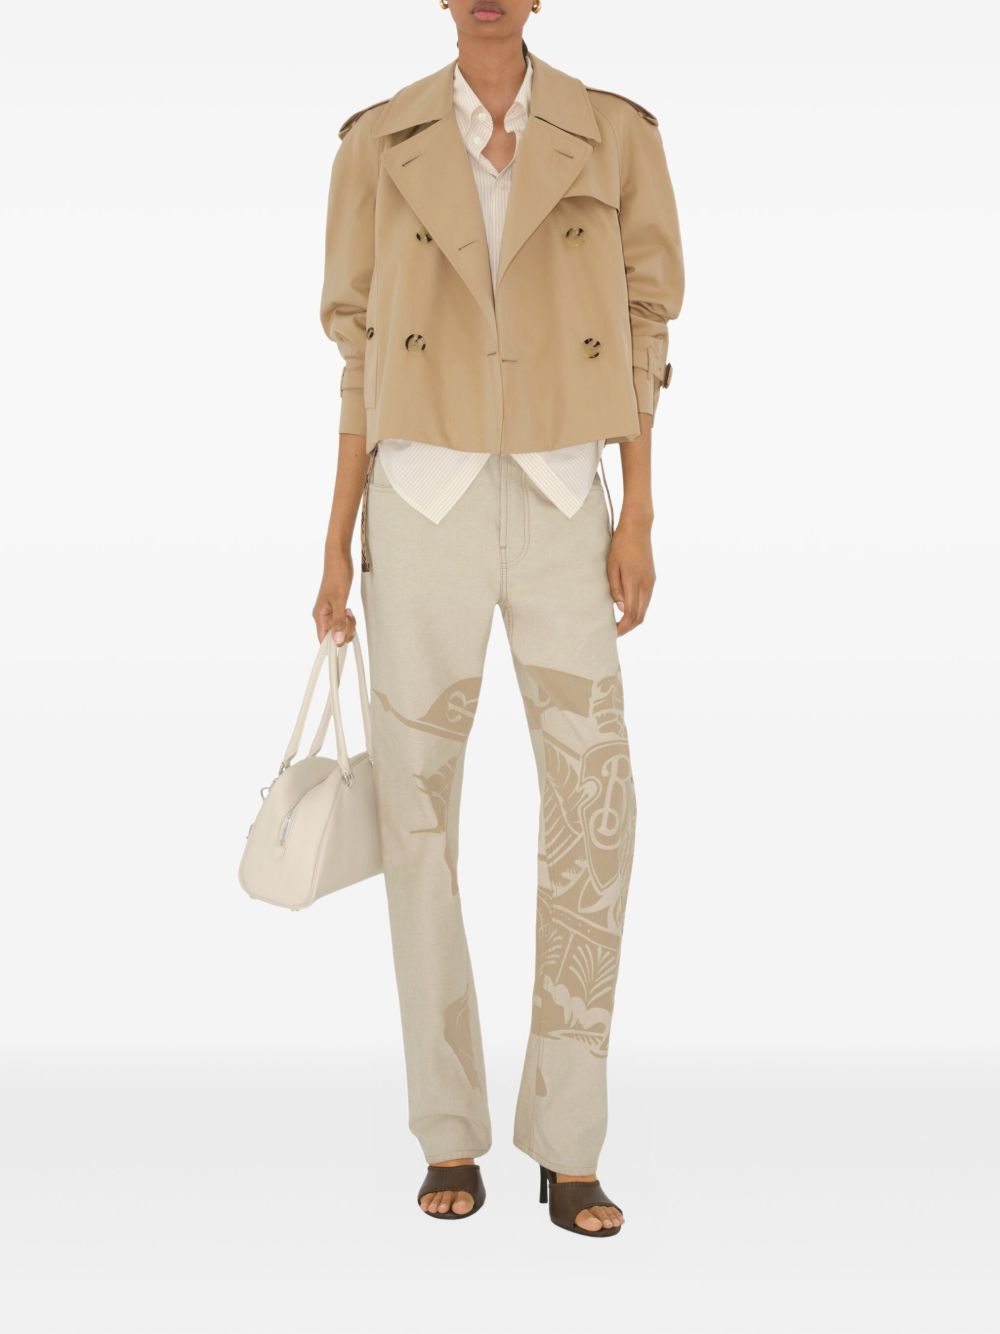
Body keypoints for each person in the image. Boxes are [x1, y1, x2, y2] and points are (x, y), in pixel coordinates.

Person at [313, 0, 683, 1237]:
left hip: (564, 494)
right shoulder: (378, 142)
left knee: (594, 808)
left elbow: (645, 323)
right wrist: (334, 538)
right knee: (416, 816)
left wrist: (638, 509)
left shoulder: (614, 134)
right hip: (419, 501)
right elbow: (359, 348)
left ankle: (569, 1141)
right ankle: (447, 1127)